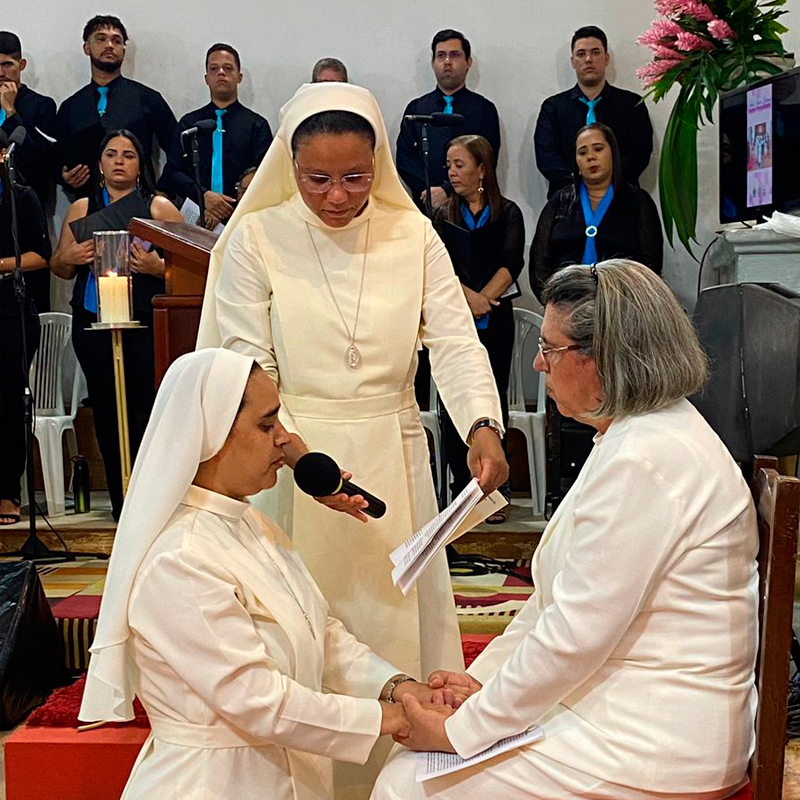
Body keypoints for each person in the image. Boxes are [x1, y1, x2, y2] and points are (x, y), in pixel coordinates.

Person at [196, 82, 507, 799]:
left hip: (392, 446)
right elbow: (248, 362)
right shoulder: (257, 236)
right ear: (289, 168)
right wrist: (303, 461)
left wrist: (482, 425)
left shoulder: (412, 234)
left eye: (356, 178)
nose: (337, 196)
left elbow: (454, 341)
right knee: (306, 622)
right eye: (317, 180)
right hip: (292, 453)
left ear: (380, 165)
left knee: (393, 619)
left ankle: (399, 782)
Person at [372, 260, 758, 800]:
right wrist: (483, 685)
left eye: (549, 349)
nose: (538, 363)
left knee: (409, 784)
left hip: (653, 740)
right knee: (412, 769)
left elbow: (574, 636)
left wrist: (463, 729)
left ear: (601, 358)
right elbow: (552, 604)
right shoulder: (636, 435)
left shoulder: (646, 458)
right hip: (621, 708)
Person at [79, 348, 472, 800]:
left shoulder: (250, 522)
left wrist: (400, 688)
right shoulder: (180, 560)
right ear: (212, 433)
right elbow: (255, 699)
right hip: (211, 784)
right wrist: (397, 718)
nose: (285, 440)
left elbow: (321, 634)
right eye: (267, 425)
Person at [50, 129, 183, 521]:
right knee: (107, 410)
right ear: (100, 163)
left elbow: (196, 264)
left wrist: (159, 268)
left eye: (128, 154)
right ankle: (121, 502)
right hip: (93, 322)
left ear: (141, 165)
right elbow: (58, 266)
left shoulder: (158, 207)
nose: (119, 161)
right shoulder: (82, 208)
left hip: (146, 323)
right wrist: (71, 256)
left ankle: (153, 500)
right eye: (111, 154)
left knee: (146, 408)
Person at [432, 135, 524, 522]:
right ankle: (462, 489)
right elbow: (439, 268)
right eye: (449, 166)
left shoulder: (508, 212)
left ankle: (493, 490)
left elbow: (511, 262)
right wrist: (467, 298)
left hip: (495, 316)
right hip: (454, 315)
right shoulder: (443, 215)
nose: (452, 173)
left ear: (482, 168)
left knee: (491, 400)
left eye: (460, 165)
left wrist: (484, 299)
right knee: (454, 403)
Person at [530, 123, 662, 303]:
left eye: (598, 149)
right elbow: (539, 263)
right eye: (582, 152)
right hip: (566, 304)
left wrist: (627, 305)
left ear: (613, 153)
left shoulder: (638, 201)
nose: (590, 157)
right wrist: (555, 304)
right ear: (576, 162)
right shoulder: (559, 201)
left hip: (622, 305)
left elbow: (651, 264)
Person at [55, 15, 176, 198]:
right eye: (101, 39)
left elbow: (178, 150)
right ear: (87, 48)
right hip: (88, 204)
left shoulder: (148, 99)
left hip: (139, 201)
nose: (109, 45)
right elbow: (56, 157)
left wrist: (163, 189)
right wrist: (64, 177)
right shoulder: (70, 106)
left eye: (116, 41)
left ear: (124, 51)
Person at [159, 43, 273, 230]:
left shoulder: (257, 125)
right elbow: (173, 172)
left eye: (228, 68)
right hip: (196, 217)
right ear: (206, 79)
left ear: (239, 77)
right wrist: (203, 197)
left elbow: (264, 176)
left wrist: (225, 209)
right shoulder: (189, 124)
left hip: (242, 219)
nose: (221, 73)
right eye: (214, 69)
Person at [534, 25, 653, 198]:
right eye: (581, 54)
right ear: (572, 61)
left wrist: (607, 182)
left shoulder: (632, 104)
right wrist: (580, 183)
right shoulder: (553, 108)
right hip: (567, 200)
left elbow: (640, 152)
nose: (588, 59)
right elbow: (546, 156)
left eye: (595, 52)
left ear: (606, 58)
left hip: (621, 197)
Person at [0, 143, 50, 525]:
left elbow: (41, 255)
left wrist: (0, 264)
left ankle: (7, 490)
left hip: (9, 306)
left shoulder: (20, 197)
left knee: (7, 399)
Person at [397, 29, 500, 211]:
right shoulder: (416, 109)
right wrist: (429, 191)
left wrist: (447, 190)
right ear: (433, 63)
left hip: (471, 206)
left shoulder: (484, 109)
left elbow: (487, 158)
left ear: (468, 62)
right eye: (441, 55)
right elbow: (405, 158)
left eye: (455, 55)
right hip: (425, 204)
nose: (447, 61)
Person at [0, 31, 57, 312]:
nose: (1, 73)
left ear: (21, 65)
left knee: (29, 305)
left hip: (24, 209)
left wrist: (11, 112)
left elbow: (39, 163)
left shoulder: (41, 106)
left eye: (7, 65)